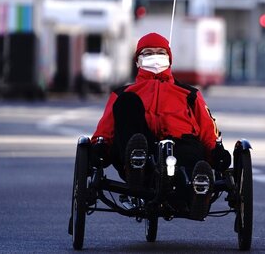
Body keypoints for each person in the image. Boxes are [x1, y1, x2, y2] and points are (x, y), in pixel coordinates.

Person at [91, 32, 230, 220]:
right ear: (137, 61)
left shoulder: (189, 94)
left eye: (160, 52)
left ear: (169, 60)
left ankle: (198, 190)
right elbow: (105, 129)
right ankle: (135, 163)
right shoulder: (123, 93)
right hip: (143, 149)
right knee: (127, 104)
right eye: (148, 53)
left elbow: (207, 127)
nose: (154, 57)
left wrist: (216, 152)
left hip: (181, 145)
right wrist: (100, 146)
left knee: (189, 160)